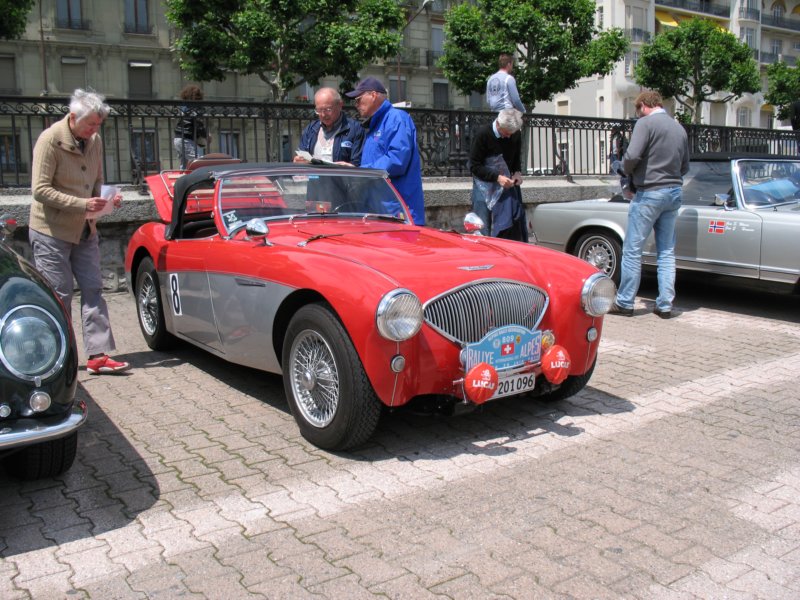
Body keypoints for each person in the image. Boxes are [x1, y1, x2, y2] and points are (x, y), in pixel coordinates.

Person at [29, 88, 130, 374]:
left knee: (94, 289)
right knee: (58, 294)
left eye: (98, 124)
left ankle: (97, 356)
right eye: (91, 124)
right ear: (73, 118)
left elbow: (95, 180)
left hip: (86, 230)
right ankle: (57, 358)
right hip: (52, 230)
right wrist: (82, 203)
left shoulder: (94, 140)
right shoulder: (49, 140)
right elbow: (40, 190)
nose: (95, 129)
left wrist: (109, 199)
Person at [610, 90, 689, 320]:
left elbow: (632, 155)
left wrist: (624, 169)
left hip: (649, 193)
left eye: (638, 110)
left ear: (643, 105)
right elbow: (685, 166)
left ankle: (625, 303)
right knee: (666, 251)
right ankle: (665, 305)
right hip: (674, 192)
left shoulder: (645, 124)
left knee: (633, 250)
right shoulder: (679, 128)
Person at [345, 77, 425, 225]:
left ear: (373, 95)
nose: (356, 105)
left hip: (398, 213)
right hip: (382, 210)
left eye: (358, 100)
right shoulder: (376, 124)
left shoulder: (396, 118)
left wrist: (360, 172)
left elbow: (396, 160)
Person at [468, 108, 527, 240]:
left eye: (512, 133)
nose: (509, 136)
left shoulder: (515, 134)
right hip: (483, 185)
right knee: (482, 226)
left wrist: (517, 173)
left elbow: (516, 157)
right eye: (506, 133)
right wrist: (497, 177)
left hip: (506, 184)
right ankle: (484, 256)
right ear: (498, 125)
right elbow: (474, 166)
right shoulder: (483, 134)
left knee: (509, 223)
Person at [293, 87, 365, 165]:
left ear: (340, 105)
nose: (323, 115)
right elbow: (301, 155)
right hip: (314, 176)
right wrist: (298, 160)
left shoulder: (355, 129)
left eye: (328, 109)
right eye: (319, 110)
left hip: (341, 176)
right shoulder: (311, 129)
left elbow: (358, 163)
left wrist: (348, 167)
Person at [173, 84, 209, 169]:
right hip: (186, 139)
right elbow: (198, 124)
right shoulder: (195, 108)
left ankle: (183, 180)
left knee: (185, 165)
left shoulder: (184, 106)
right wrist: (206, 136)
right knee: (197, 163)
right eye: (198, 98)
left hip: (178, 138)